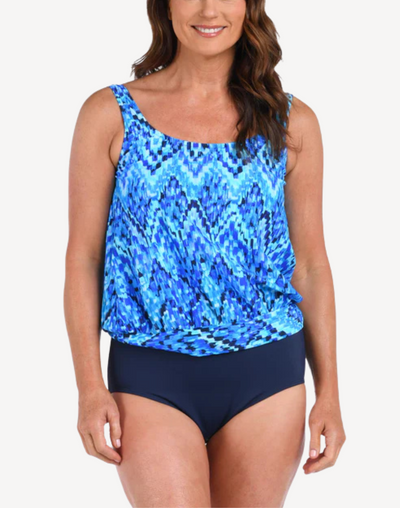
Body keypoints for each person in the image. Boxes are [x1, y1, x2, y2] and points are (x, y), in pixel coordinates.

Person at [64, 0, 346, 506]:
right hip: (150, 373)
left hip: (268, 374)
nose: (208, 8)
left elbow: (310, 266)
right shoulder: (110, 115)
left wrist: (330, 393)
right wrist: (88, 387)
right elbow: (84, 258)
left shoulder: (290, 123)